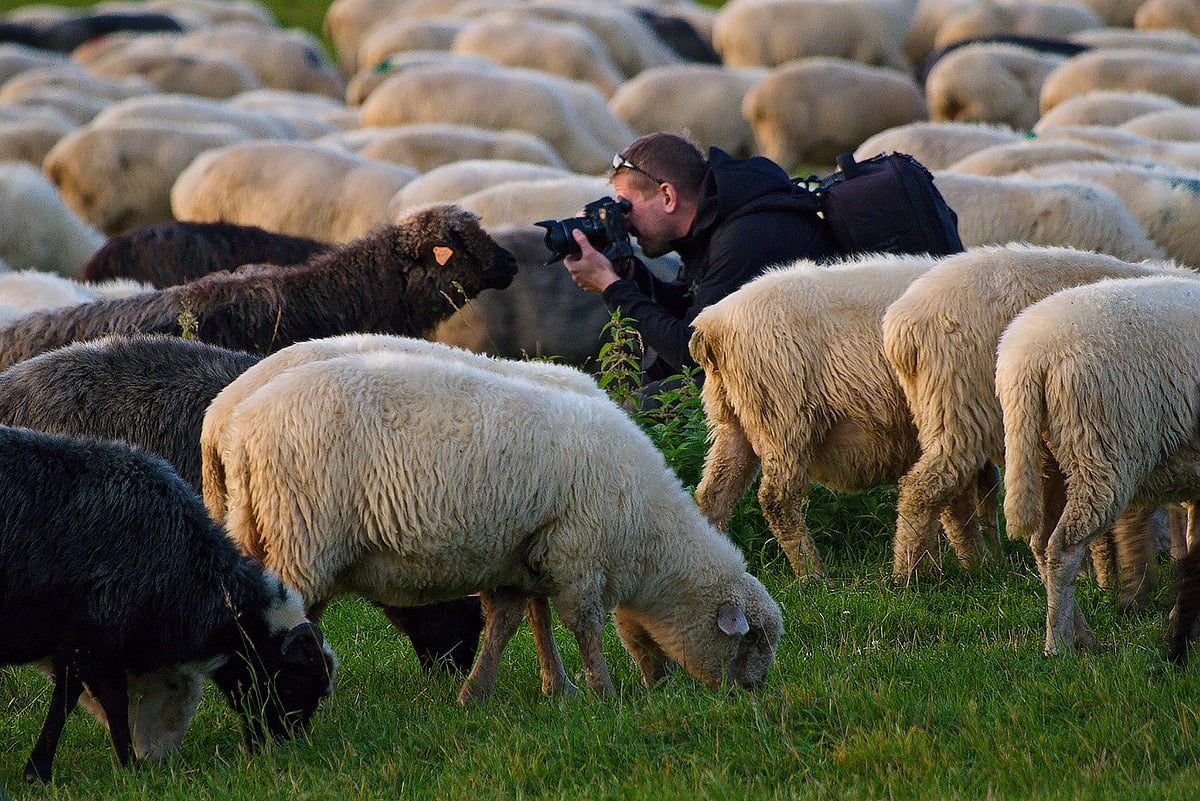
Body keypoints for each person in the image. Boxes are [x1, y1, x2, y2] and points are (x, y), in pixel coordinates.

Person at [563, 132, 841, 405]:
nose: (624, 220)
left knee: (641, 408)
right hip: (779, 361)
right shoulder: (715, 221)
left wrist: (611, 286)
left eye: (626, 205)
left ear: (668, 196)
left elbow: (692, 354)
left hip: (818, 377)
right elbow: (685, 308)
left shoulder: (742, 238)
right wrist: (626, 272)